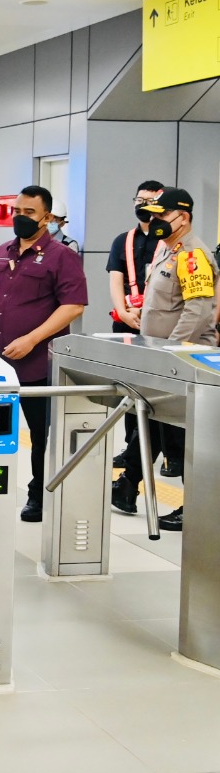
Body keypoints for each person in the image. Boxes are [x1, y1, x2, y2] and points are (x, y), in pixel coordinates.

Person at [0, 185, 87, 523]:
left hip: (38, 366)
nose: (21, 217)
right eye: (17, 211)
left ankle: (38, 495)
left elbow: (73, 306)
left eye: (29, 212)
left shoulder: (63, 257)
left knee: (42, 437)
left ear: (47, 217)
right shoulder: (2, 252)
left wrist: (33, 339)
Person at [114, 188, 217, 530]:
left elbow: (199, 310)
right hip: (163, 353)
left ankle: (197, 508)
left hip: (184, 358)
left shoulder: (192, 254)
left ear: (182, 217)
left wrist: (171, 349)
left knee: (182, 435)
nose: (154, 221)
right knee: (157, 422)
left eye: (161, 215)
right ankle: (128, 486)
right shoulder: (168, 250)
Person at [106, 179, 167, 477]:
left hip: (157, 324)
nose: (142, 205)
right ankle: (133, 445)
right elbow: (115, 279)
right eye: (138, 199)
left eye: (150, 200)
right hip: (125, 322)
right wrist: (124, 312)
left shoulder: (168, 240)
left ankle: (170, 454)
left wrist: (146, 313)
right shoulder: (123, 240)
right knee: (128, 386)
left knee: (158, 389)